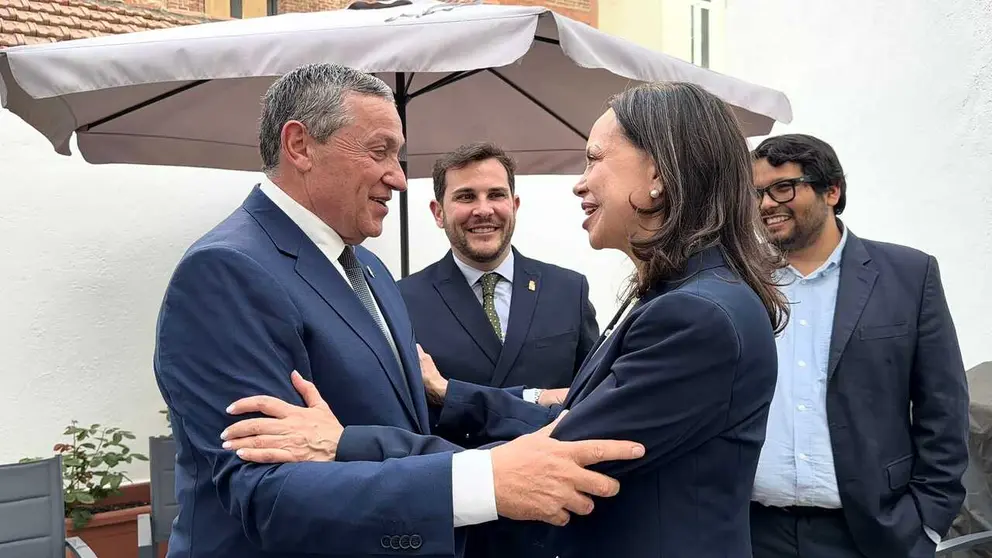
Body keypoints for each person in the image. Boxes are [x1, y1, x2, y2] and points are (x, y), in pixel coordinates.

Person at [222, 81, 789, 558]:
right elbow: (571, 421)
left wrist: (345, 442)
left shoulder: (696, 314)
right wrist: (453, 396)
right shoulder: (683, 297)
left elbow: (556, 455)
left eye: (594, 158)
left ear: (660, 172)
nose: (579, 181)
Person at [152, 63, 646, 558]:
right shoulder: (224, 271)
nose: (399, 178)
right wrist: (484, 482)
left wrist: (534, 413)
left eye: (399, 155)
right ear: (300, 146)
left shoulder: (367, 268)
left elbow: (412, 423)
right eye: (379, 150)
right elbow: (264, 493)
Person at [747, 133, 969, 558]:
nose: (766, 205)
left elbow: (943, 407)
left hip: (872, 534)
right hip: (753, 532)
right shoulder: (740, 282)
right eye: (757, 194)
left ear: (832, 190)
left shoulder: (908, 275)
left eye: (783, 188)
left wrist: (926, 524)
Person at [398, 141, 599, 445]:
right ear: (438, 213)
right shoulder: (401, 301)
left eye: (496, 195)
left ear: (514, 206)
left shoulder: (569, 290)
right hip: (457, 479)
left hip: (557, 475)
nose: (483, 210)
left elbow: (593, 395)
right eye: (466, 197)